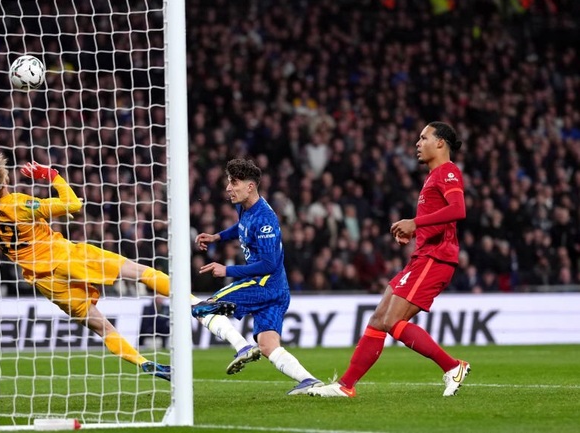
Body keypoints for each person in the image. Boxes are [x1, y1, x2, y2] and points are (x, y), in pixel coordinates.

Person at [0, 152, 233, 381]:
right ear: (4, 181)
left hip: (42, 280)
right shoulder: (20, 204)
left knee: (101, 326)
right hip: (65, 257)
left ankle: (143, 363)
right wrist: (52, 175)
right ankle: (195, 304)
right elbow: (72, 204)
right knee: (141, 273)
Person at [309, 121, 470, 398]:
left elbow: (458, 209)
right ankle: (345, 385)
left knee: (393, 321)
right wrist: (415, 231)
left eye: (423, 138)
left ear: (440, 143)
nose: (417, 144)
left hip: (436, 258)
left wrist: (415, 223)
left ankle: (453, 366)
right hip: (422, 256)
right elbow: (440, 218)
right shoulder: (433, 176)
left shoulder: (448, 172)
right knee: (379, 319)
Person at [194, 158, 323, 395]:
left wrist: (227, 270)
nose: (228, 188)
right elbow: (242, 227)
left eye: (234, 182)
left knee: (203, 308)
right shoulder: (244, 207)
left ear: (250, 186)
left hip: (264, 284)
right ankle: (309, 380)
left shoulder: (265, 219)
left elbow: (268, 264)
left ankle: (242, 347)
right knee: (268, 345)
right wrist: (218, 237)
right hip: (278, 289)